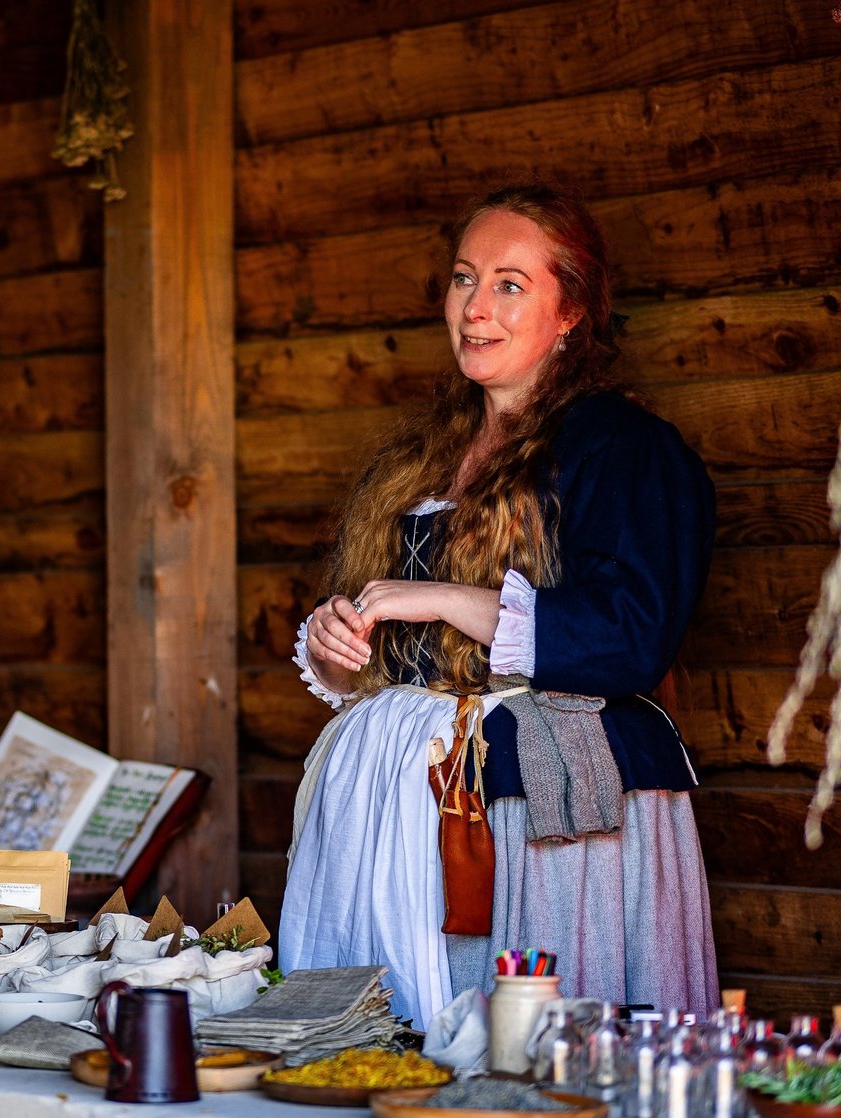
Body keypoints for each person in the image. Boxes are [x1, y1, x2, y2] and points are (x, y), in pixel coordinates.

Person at [280, 186, 719, 1029]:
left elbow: (631, 635)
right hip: (387, 806)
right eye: (463, 279)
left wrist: (443, 595)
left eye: (510, 285)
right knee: (378, 1046)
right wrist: (339, 647)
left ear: (572, 313)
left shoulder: (623, 450)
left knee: (521, 1045)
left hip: (537, 812)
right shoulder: (418, 458)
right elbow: (389, 643)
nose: (476, 308)